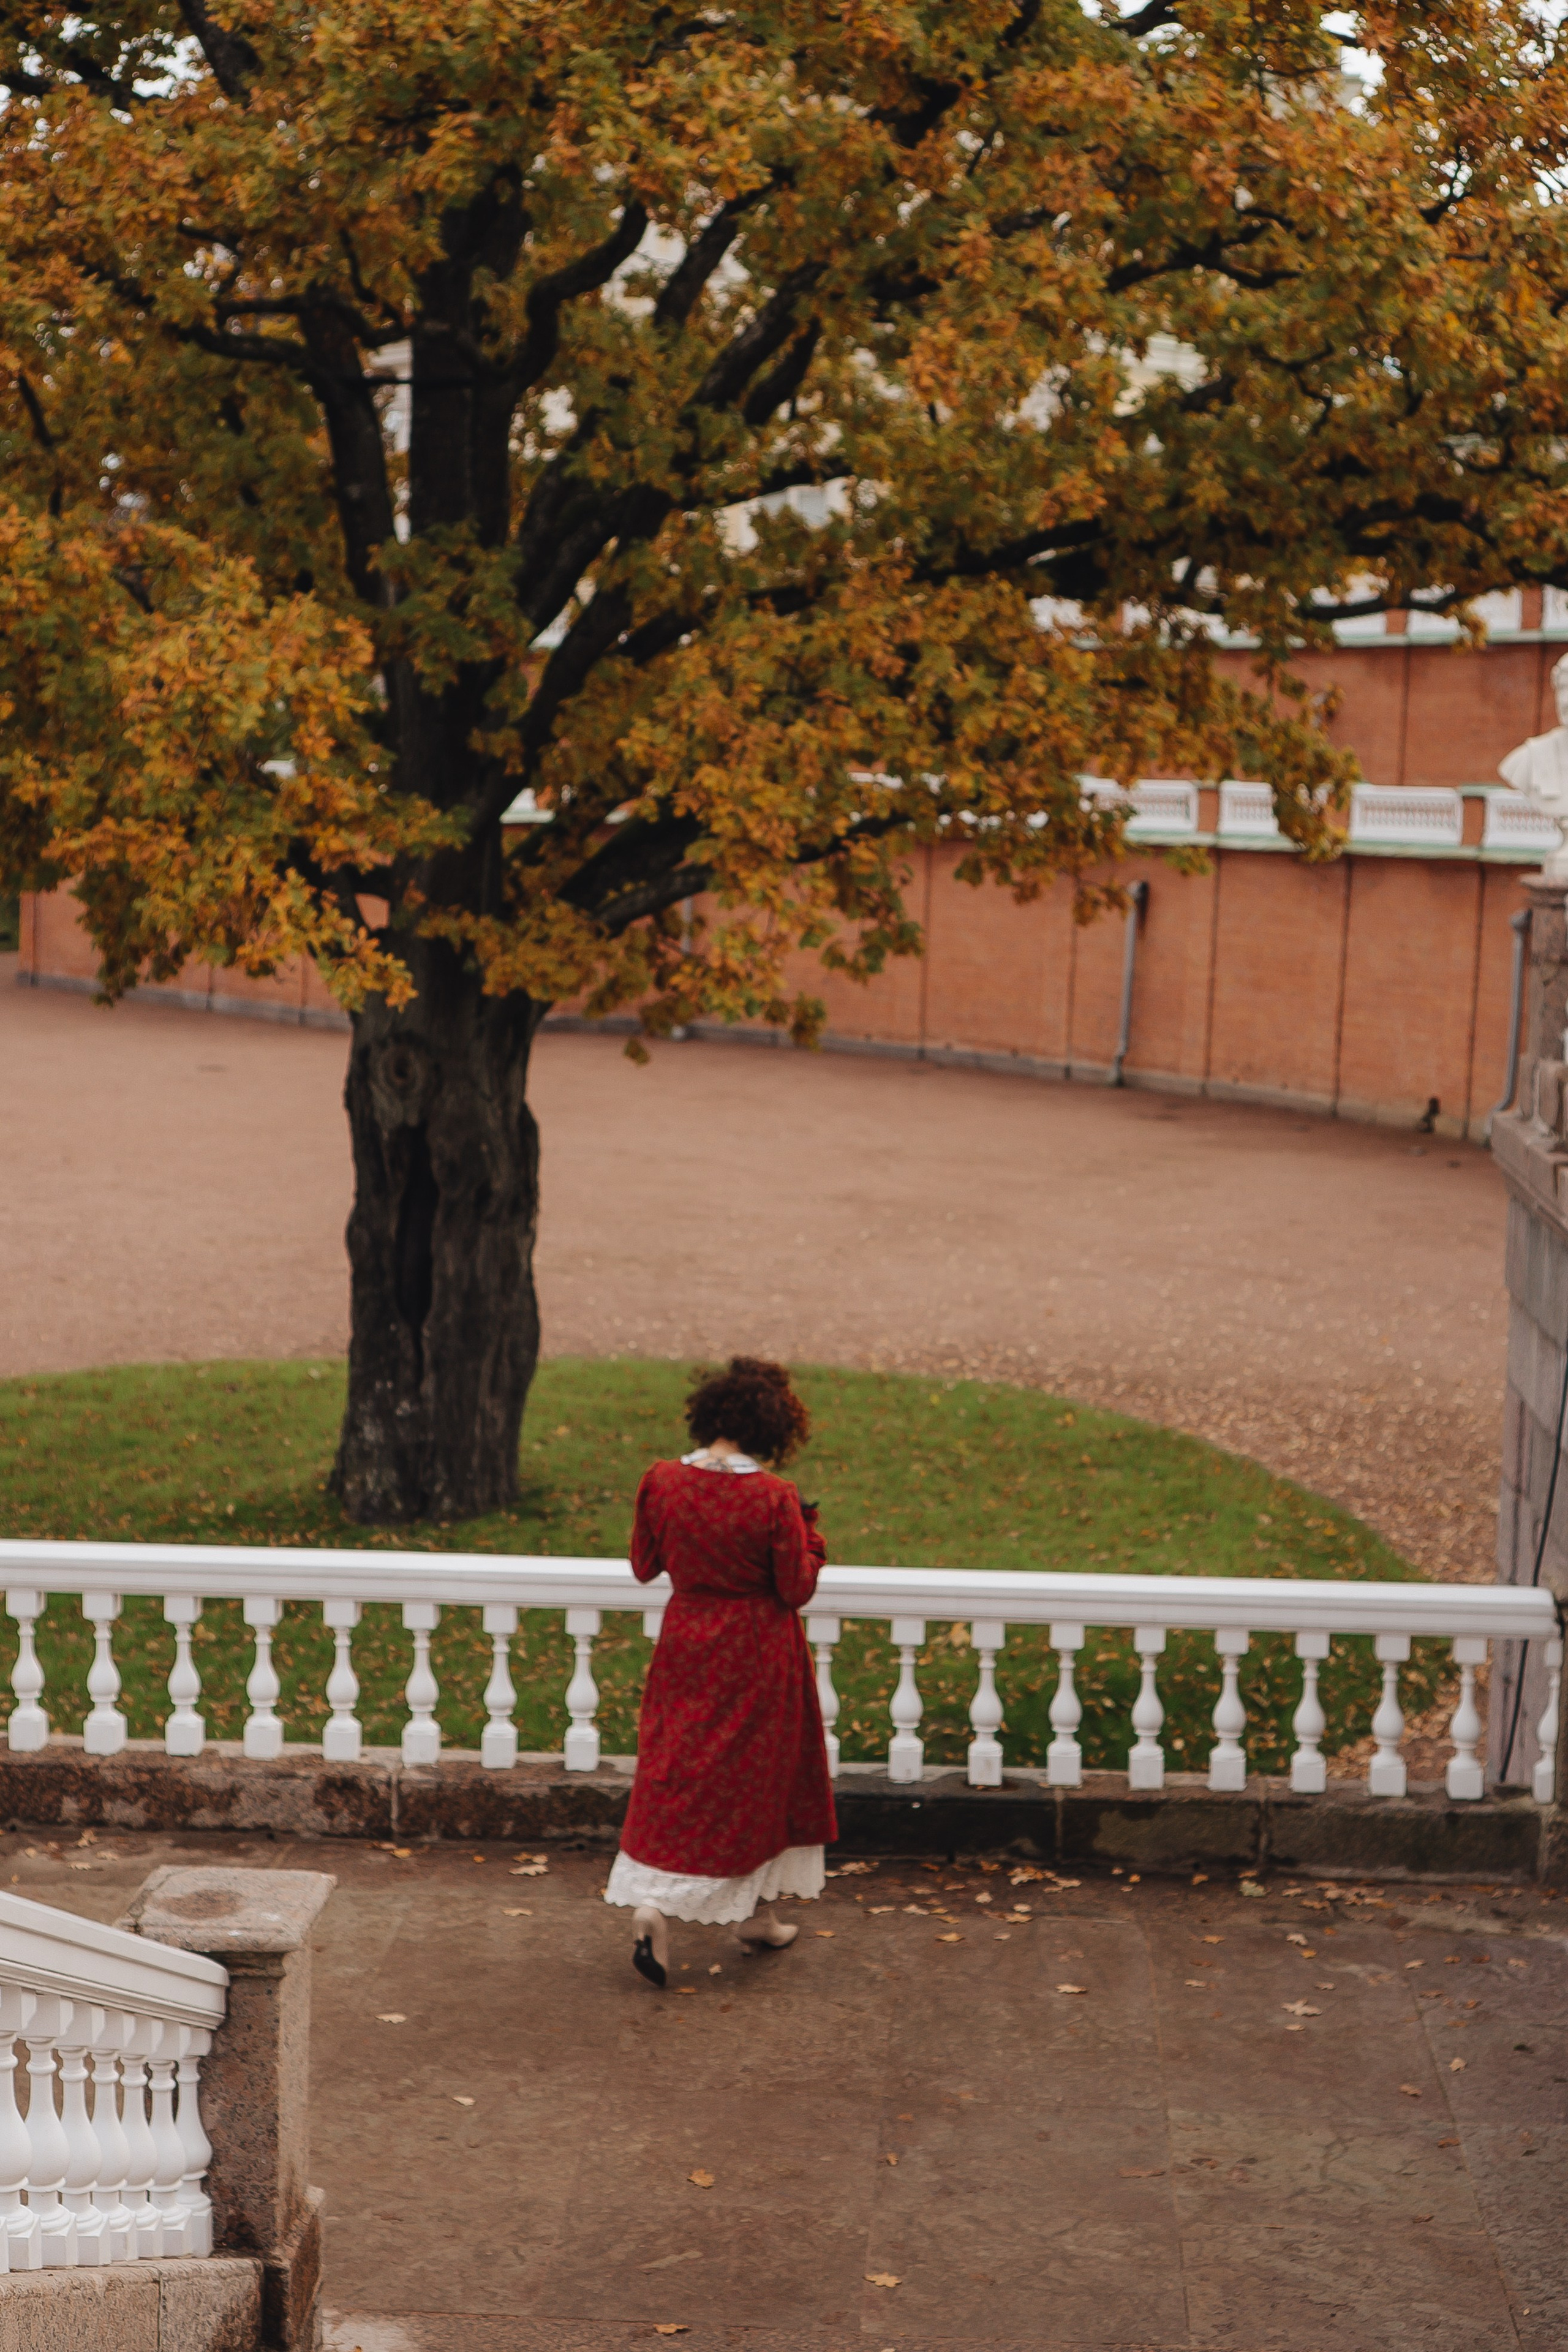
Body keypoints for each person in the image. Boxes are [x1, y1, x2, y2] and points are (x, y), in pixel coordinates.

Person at [604, 1356, 837, 1987]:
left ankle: (702, 1911)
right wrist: (811, 1539)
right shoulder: (774, 1496)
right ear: (772, 1428)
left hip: (686, 1642)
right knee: (756, 1780)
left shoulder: (662, 1481)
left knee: (679, 1768)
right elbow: (795, 1587)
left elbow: (644, 1566)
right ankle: (726, 1911)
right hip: (756, 1649)